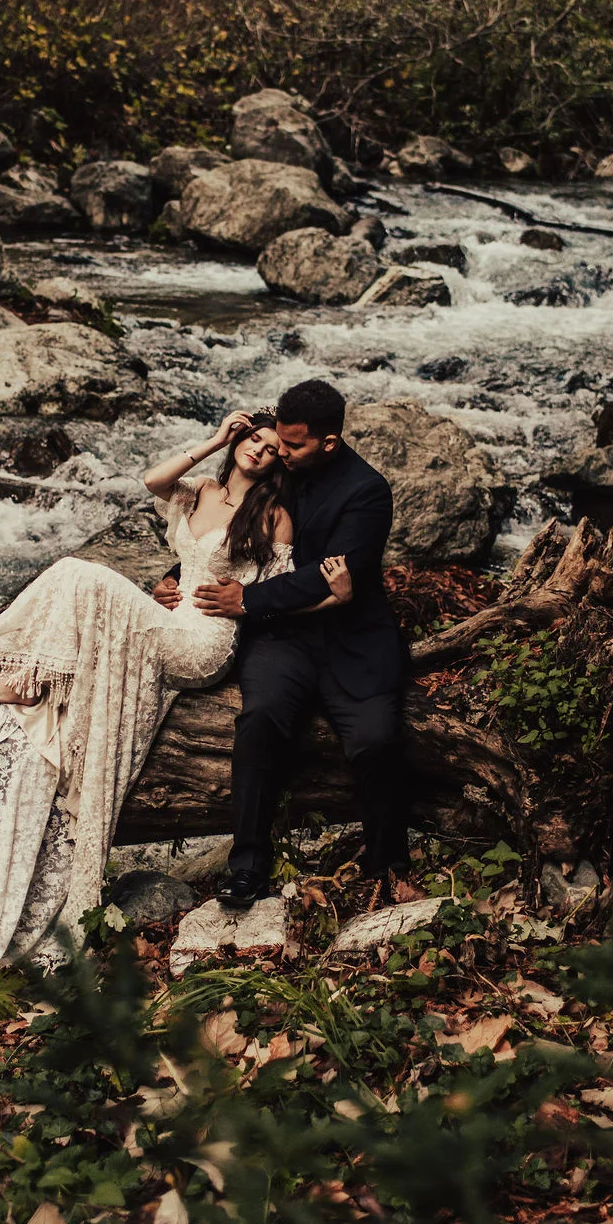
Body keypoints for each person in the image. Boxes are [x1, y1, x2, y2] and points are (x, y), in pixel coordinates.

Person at [0, 412, 351, 1035]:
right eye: (253, 441)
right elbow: (153, 480)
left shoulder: (271, 517)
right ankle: (22, 672)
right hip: (167, 619)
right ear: (238, 441)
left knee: (81, 575)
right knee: (85, 586)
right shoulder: (204, 491)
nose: (260, 453)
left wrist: (333, 598)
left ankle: (16, 671)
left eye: (271, 449)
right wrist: (212, 439)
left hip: (202, 643)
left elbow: (277, 594)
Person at [159, 379, 410, 909]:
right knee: (261, 720)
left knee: (374, 740)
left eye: (294, 445)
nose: (282, 453)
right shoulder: (279, 470)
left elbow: (326, 576)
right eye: (281, 444)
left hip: (351, 635)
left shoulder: (367, 492)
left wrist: (245, 600)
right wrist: (177, 576)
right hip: (282, 637)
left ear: (329, 443)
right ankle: (247, 866)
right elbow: (227, 529)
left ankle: (389, 864)